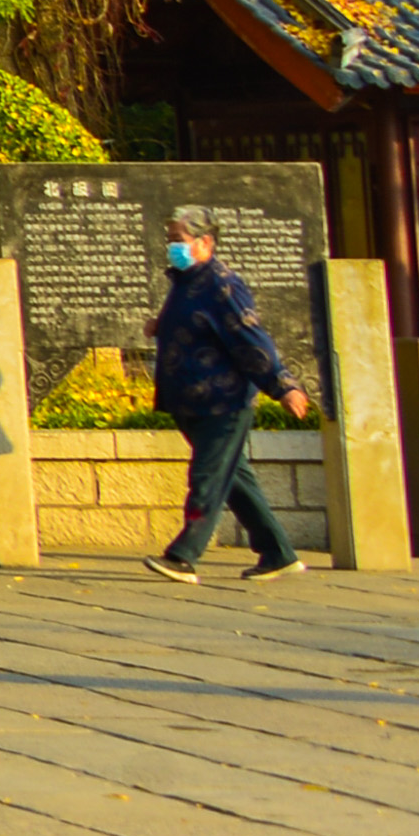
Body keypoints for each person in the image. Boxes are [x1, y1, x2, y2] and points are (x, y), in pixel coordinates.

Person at [144, 204, 315, 583]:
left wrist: (282, 385)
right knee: (234, 478)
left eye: (179, 239)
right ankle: (278, 553)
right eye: (170, 239)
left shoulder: (223, 285)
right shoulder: (185, 282)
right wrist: (160, 325)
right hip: (192, 401)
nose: (172, 246)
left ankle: (184, 555)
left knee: (206, 478)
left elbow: (250, 337)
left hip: (223, 402)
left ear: (205, 242)